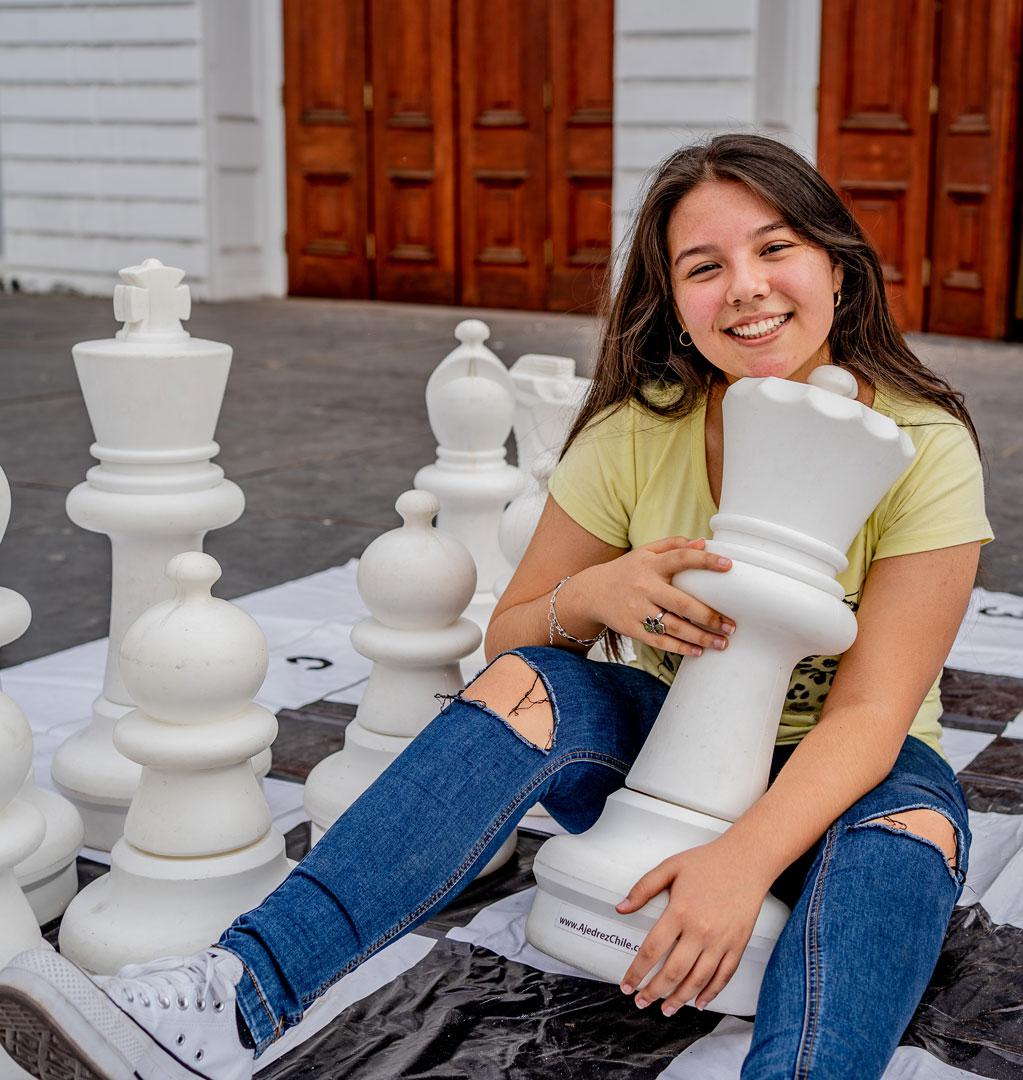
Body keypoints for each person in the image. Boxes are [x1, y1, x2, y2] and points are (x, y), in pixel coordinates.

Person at [0, 134, 991, 1080]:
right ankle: (235, 995)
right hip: (662, 766)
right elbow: (514, 639)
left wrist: (739, 865)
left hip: (847, 779)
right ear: (674, 303)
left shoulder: (923, 443)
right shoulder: (641, 432)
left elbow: (869, 713)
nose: (745, 285)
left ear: (840, 268)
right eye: (703, 265)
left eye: (776, 248)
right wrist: (592, 593)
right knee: (529, 685)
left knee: (909, 840)